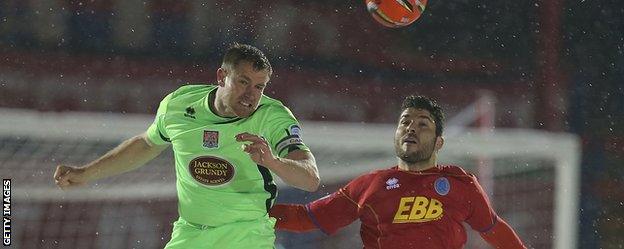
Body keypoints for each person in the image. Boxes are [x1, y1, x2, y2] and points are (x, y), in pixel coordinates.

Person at [53, 43, 320, 249]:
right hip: (191, 233)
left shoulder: (272, 117)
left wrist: (273, 161)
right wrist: (85, 173)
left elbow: (310, 178)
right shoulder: (180, 105)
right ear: (221, 76)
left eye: (259, 87)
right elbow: (147, 144)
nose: (251, 95)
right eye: (243, 82)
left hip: (246, 235)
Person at [270, 95, 527, 249]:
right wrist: (249, 208)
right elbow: (308, 218)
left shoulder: (461, 184)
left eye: (422, 124)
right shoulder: (369, 186)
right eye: (405, 122)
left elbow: (493, 229)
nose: (411, 128)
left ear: (439, 142)